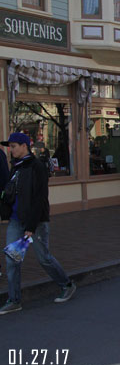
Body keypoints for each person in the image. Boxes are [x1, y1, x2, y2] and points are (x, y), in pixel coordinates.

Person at [0, 133, 76, 315]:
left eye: (14, 146)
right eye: (9, 146)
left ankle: (66, 284)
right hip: (16, 220)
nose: (11, 149)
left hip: (36, 221)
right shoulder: (15, 167)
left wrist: (31, 227)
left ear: (24, 146)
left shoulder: (37, 167)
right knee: (12, 260)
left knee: (44, 257)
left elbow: (40, 199)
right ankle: (14, 300)